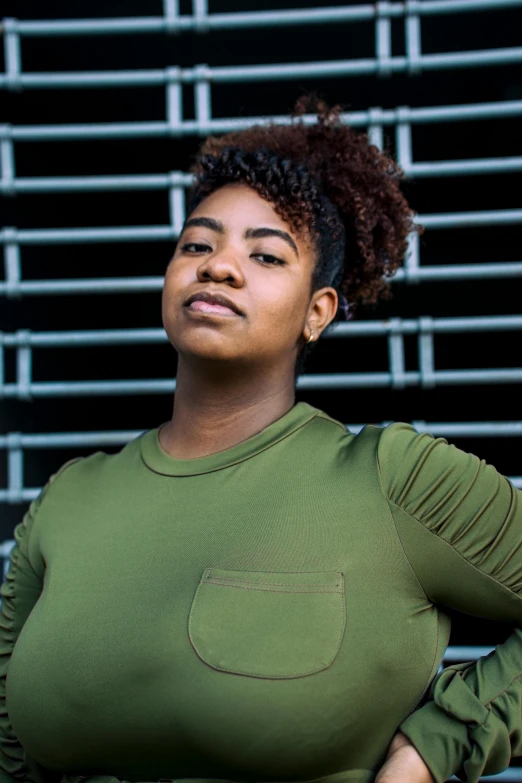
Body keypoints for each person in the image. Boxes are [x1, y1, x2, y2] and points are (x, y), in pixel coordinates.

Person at [1, 94, 521, 783]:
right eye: (196, 243)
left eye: (267, 255)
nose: (217, 265)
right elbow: (12, 754)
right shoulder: (68, 501)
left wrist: (434, 746)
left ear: (317, 312)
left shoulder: (395, 480)